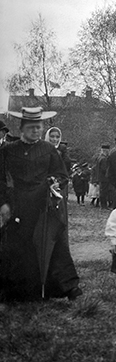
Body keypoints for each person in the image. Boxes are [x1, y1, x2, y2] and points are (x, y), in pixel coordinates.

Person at [0, 106, 82, 301]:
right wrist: (3, 203)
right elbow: (1, 179)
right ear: (21, 128)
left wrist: (54, 182)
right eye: (31, 127)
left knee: (52, 243)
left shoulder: (48, 150)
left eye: (38, 127)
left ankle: (67, 287)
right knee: (14, 246)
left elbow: (62, 176)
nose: (36, 130)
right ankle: (15, 292)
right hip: (17, 204)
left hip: (43, 204)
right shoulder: (8, 150)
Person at [97, 143, 112, 209]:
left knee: (102, 191)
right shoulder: (104, 159)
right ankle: (104, 205)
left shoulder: (100, 157)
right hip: (104, 178)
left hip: (101, 177)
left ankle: (102, 205)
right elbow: (104, 169)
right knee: (104, 192)